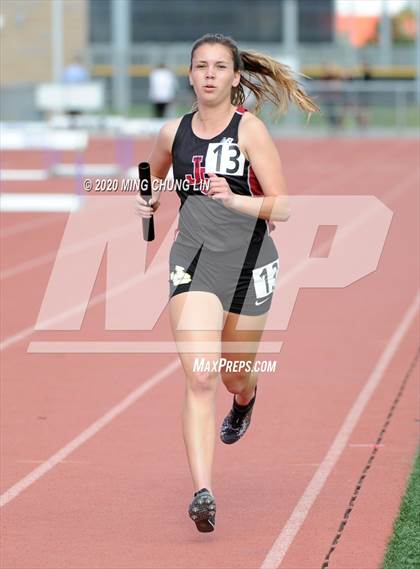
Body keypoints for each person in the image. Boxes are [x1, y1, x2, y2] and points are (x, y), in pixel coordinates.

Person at [136, 33, 319, 533]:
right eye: (201, 66)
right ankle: (203, 491)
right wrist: (146, 200)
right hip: (193, 264)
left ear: (236, 77)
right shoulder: (173, 133)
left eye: (220, 66)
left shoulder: (250, 131)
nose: (211, 73)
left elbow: (282, 205)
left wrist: (237, 200)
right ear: (190, 76)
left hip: (250, 263)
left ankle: (246, 397)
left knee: (233, 374)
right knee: (200, 374)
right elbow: (148, 180)